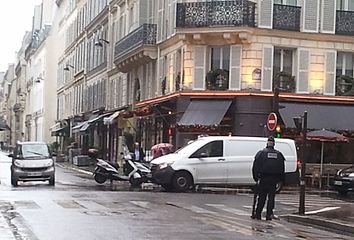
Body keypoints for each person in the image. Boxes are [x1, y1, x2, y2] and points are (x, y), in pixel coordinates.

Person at [251, 136, 285, 220]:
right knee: (271, 198)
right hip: (273, 179)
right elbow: (282, 169)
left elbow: (255, 167)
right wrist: (280, 180)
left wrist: (256, 178)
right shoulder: (279, 155)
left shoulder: (261, 153)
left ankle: (258, 213)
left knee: (261, 197)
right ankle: (269, 214)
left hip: (263, 178)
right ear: (274, 144)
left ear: (267, 143)